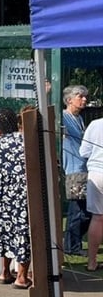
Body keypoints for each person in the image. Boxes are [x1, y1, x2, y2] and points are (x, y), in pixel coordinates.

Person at [0, 108, 31, 288]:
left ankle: (4, 273)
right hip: (23, 192)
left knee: (4, 228)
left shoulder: (0, 141)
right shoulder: (26, 140)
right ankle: (22, 277)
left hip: (3, 193)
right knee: (23, 231)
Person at [61, 84, 89, 256]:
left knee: (85, 211)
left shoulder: (79, 119)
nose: (84, 99)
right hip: (73, 171)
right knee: (77, 210)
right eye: (80, 96)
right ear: (69, 100)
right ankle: (72, 246)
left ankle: (74, 243)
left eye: (85, 96)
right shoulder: (63, 118)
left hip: (83, 169)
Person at [80, 115, 103, 271]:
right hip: (96, 172)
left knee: (97, 217)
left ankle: (91, 262)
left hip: (96, 173)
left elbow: (84, 151)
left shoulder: (95, 124)